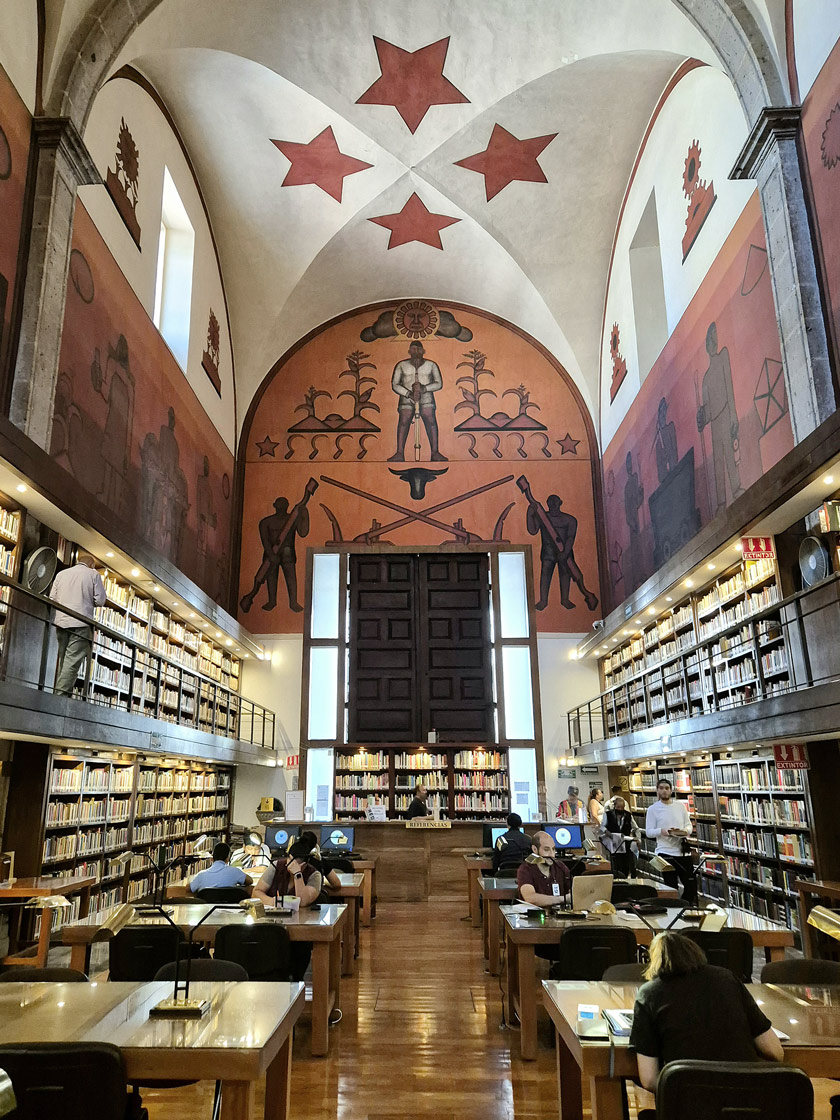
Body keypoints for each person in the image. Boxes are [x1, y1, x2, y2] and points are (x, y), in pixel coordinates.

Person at [629, 931, 782, 1114]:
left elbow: (649, 1079)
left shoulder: (649, 994)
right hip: (745, 1108)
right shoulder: (728, 979)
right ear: (696, 953)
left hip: (689, 1109)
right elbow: (775, 1051)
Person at [254, 836, 324, 981]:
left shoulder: (314, 875)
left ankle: (295, 979)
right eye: (289, 861)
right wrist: (274, 902)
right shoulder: (275, 867)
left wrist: (298, 875)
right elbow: (256, 892)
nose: (289, 866)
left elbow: (303, 901)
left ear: (305, 864)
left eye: (296, 864)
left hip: (300, 926)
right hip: (271, 922)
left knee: (298, 949)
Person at [525, 493, 598, 611]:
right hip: (548, 553)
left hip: (565, 552)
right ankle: (543, 600)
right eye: (551, 503)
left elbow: (570, 537)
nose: (553, 505)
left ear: (560, 503)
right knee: (545, 574)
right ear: (547, 504)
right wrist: (530, 514)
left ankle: (565, 599)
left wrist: (565, 552)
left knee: (565, 574)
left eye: (555, 502)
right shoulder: (543, 517)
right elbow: (532, 530)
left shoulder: (569, 520)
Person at [49, 551, 106, 697]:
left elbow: (52, 598)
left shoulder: (62, 574)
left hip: (61, 621)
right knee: (72, 661)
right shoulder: (93, 575)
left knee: (64, 659)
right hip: (81, 621)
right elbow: (100, 600)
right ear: (91, 565)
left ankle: (61, 694)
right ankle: (59, 698)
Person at [387, 340, 447, 462]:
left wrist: (424, 388)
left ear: (423, 351)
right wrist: (408, 393)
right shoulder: (401, 365)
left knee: (430, 419)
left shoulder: (431, 365)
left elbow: (439, 383)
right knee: (404, 420)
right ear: (409, 351)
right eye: (413, 349)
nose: (416, 351)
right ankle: (399, 453)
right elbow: (395, 384)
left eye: (418, 349)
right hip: (406, 396)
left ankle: (435, 452)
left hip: (426, 396)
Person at [645, 778, 696, 903]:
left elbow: (689, 826)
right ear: (657, 790)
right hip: (665, 852)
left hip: (682, 851)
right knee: (671, 886)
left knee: (691, 884)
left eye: (667, 788)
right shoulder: (653, 809)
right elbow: (649, 832)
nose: (664, 791)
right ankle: (674, 910)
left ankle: (685, 907)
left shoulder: (680, 806)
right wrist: (661, 831)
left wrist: (684, 831)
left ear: (671, 790)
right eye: (661, 788)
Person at [516, 831, 571, 908]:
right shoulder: (525, 869)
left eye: (553, 849)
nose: (552, 854)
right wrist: (563, 899)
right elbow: (530, 898)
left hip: (561, 917)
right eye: (546, 849)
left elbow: (574, 891)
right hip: (535, 918)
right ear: (535, 849)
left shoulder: (560, 867)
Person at [599, 796, 640, 878]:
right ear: (614, 806)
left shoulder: (628, 815)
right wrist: (606, 831)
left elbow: (636, 828)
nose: (620, 809)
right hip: (614, 844)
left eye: (622, 807)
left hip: (625, 843)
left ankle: (625, 879)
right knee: (616, 865)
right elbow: (602, 826)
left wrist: (638, 839)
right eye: (618, 807)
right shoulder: (608, 814)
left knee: (626, 864)